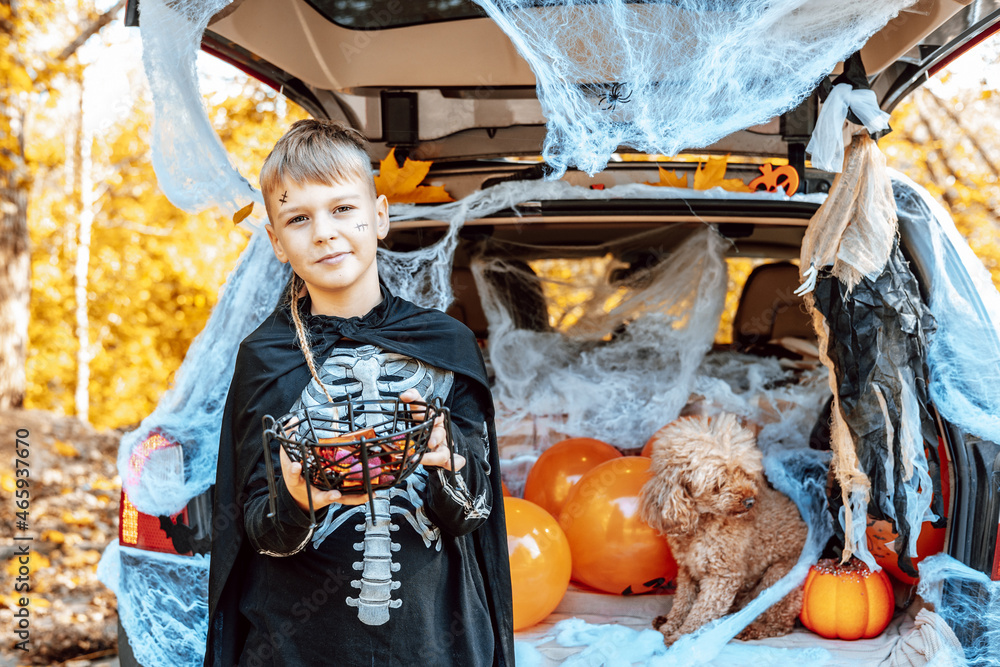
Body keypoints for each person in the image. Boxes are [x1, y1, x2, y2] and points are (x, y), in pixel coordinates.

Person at [205, 119, 514, 667]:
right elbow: (254, 534)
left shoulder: (445, 344)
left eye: (343, 208)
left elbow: (476, 513)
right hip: (298, 649)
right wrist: (295, 502)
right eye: (298, 218)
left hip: (435, 644)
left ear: (381, 216)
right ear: (276, 241)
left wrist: (450, 463)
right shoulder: (267, 358)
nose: (324, 232)